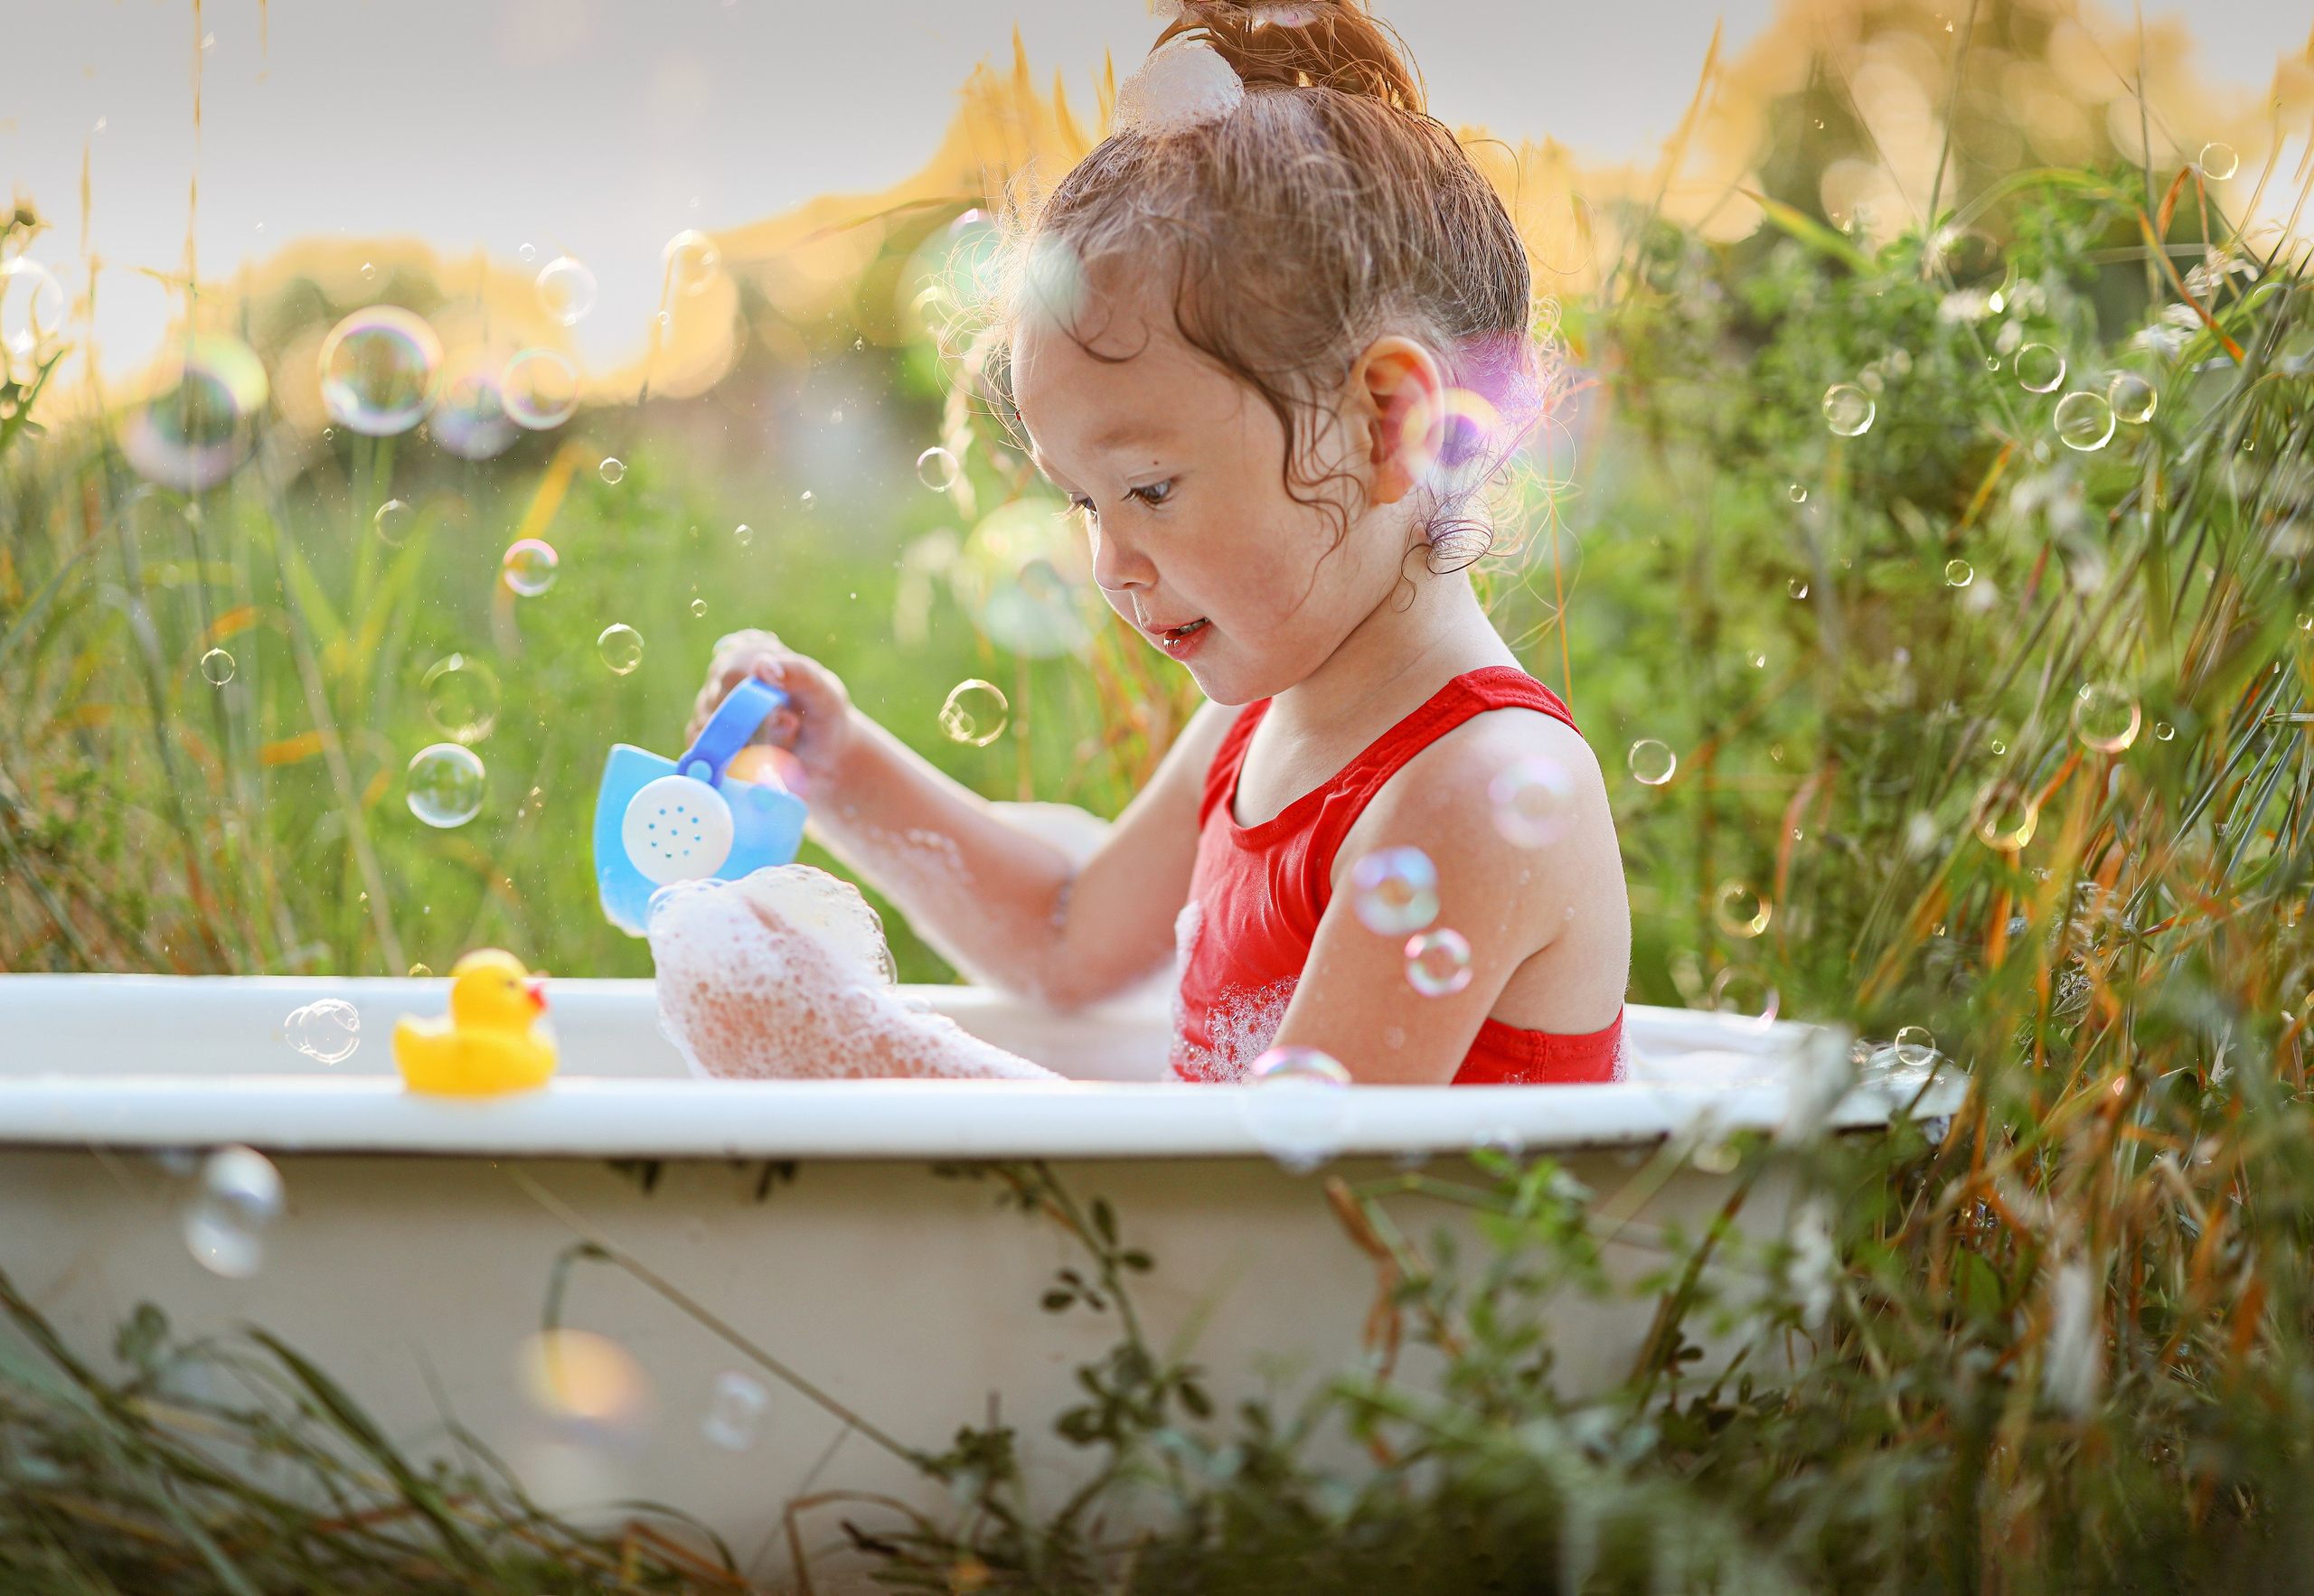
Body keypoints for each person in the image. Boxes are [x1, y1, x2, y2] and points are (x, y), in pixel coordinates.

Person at [648, 0, 1630, 1086]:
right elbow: (1063, 935)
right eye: (1084, 502)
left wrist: (852, 1055)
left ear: (1386, 422)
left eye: (1150, 489)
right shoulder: (1256, 727)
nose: (1109, 563)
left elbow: (1274, 1175)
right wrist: (838, 764)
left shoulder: (1474, 789)